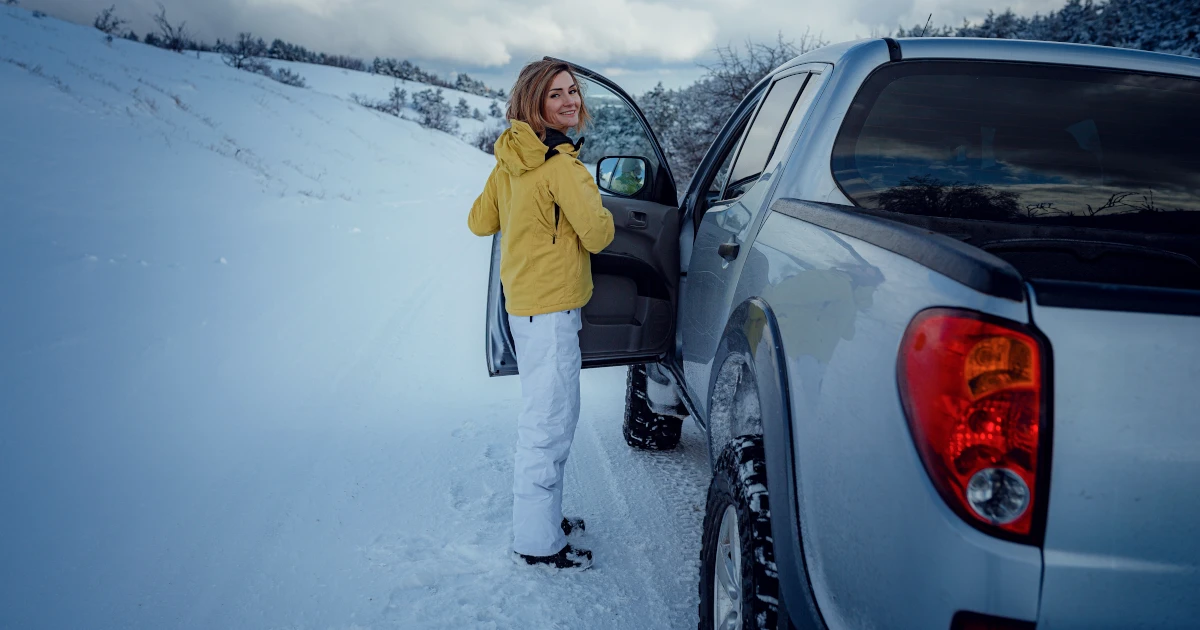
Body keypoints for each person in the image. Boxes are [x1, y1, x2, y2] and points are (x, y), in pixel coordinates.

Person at [467, 60, 615, 571]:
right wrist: (591, 208)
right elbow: (598, 235)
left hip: (525, 307)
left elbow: (479, 220)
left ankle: (543, 519)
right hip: (551, 312)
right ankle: (537, 543)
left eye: (573, 91)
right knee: (548, 425)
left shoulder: (511, 156)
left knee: (548, 417)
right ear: (535, 102)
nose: (570, 101)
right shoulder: (560, 165)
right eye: (556, 94)